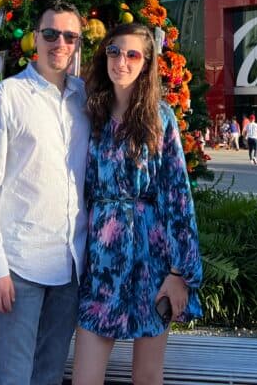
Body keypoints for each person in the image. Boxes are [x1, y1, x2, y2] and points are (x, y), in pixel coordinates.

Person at [0, 1, 89, 384]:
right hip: (20, 268)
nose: (60, 43)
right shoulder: (5, 98)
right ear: (35, 38)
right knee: (14, 377)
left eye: (70, 36)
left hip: (71, 265)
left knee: (49, 375)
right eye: (51, 33)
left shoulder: (84, 99)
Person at [73, 23, 202, 385]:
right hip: (102, 259)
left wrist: (181, 274)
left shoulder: (160, 118)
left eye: (133, 54)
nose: (122, 61)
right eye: (114, 52)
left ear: (146, 63)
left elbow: (178, 197)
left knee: (147, 376)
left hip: (152, 256)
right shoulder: (89, 113)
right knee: (85, 376)